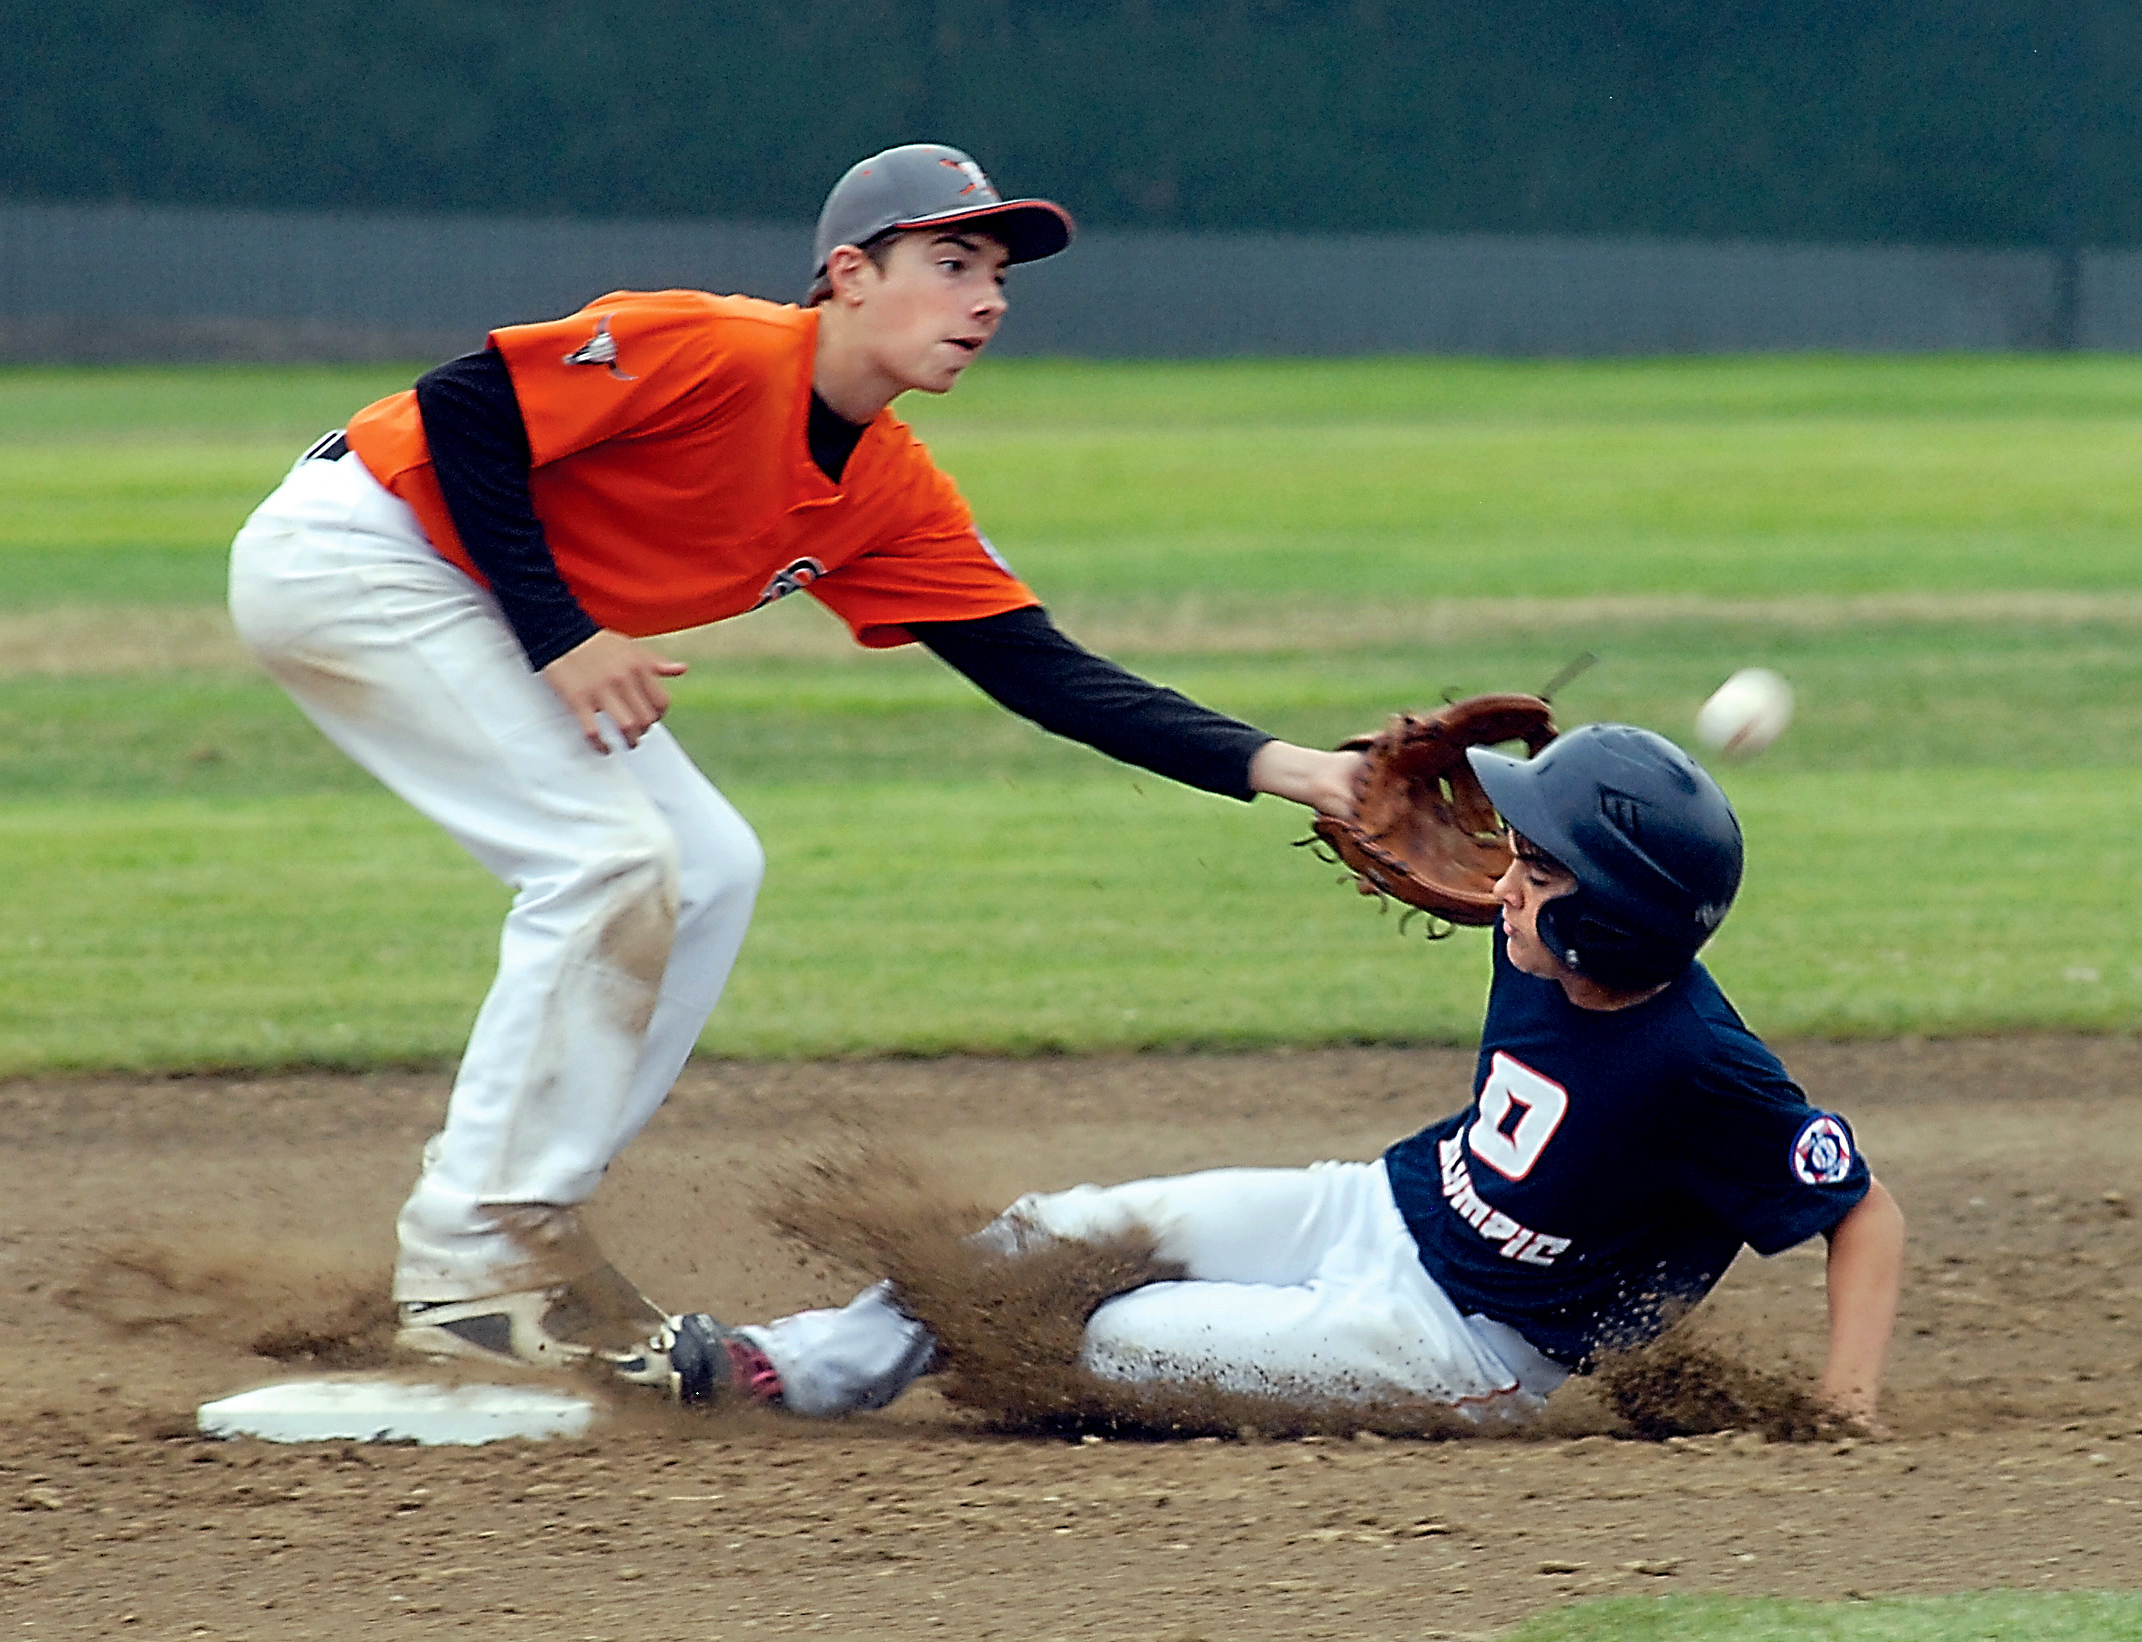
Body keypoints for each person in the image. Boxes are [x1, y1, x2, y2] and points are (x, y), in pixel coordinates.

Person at [225, 142, 1364, 1388]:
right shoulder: (720, 346)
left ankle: (524, 1228)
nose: (986, 299)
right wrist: (563, 635)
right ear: (848, 275)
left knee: (709, 865)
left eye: (996, 274)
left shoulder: (890, 492)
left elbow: (1041, 669)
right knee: (607, 860)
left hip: (475, 595)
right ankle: (470, 1262)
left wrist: (1295, 768)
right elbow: (465, 411)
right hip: (359, 549)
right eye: (950, 262)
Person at [661, 725, 1905, 1433]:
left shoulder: (1701, 1070)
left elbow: (1863, 1212)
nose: (1504, 877)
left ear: (1615, 927)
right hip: (1369, 1203)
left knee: (1110, 1343)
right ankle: (799, 1367)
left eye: (1536, 866)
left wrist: (1841, 1410)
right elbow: (1516, 865)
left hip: (1453, 1348)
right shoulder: (1539, 930)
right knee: (1053, 1236)